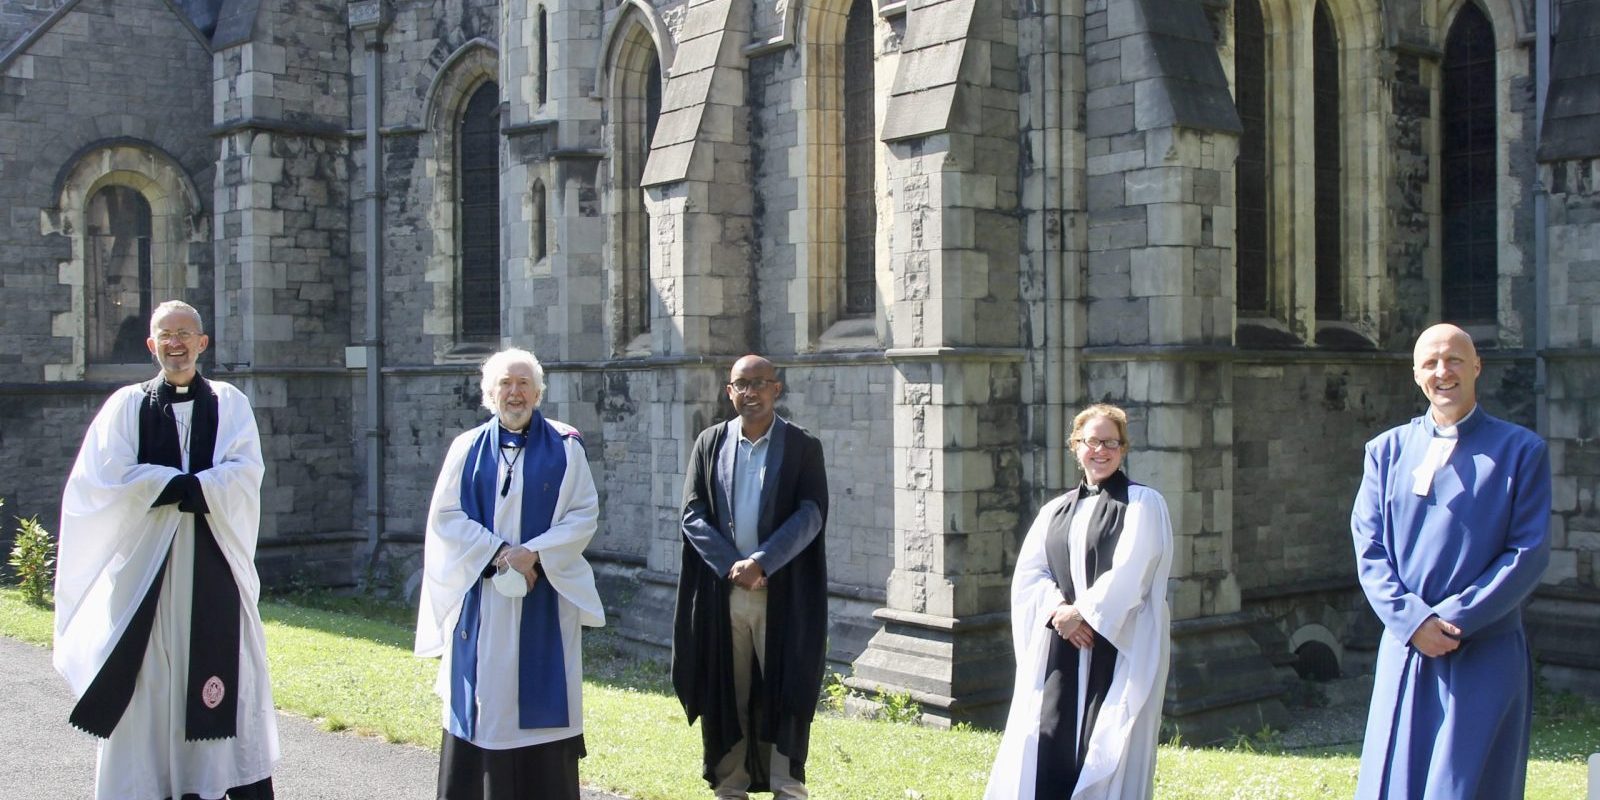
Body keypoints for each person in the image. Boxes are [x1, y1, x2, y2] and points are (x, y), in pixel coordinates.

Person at [55, 300, 278, 800]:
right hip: (141, 575)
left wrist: (175, 489)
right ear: (151, 345)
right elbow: (103, 480)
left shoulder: (229, 403)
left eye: (185, 333)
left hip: (211, 562)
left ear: (203, 343)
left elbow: (244, 474)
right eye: (165, 335)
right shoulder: (125, 406)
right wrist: (180, 484)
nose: (175, 343)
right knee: (146, 685)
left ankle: (209, 782)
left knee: (221, 673)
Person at [1350, 323, 1551, 799]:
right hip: (1407, 644)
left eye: (1454, 360)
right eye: (1430, 363)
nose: (1443, 372)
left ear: (1476, 366)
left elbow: (1528, 552)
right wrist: (1413, 619)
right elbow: (1368, 545)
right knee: (1397, 780)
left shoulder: (1522, 452)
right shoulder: (1386, 452)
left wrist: (1453, 620)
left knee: (1465, 784)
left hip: (1483, 647)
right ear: (1416, 374)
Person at [415, 347, 604, 800]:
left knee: (539, 719)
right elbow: (445, 516)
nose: (514, 392)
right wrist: (500, 551)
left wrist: (533, 554)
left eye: (523, 384)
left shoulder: (565, 445)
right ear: (489, 393)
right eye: (505, 383)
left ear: (538, 393)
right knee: (487, 711)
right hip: (485, 603)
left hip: (543, 598)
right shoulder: (466, 448)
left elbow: (583, 515)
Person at [985, 403, 1172, 800]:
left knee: (1104, 747)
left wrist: (1082, 612)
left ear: (1123, 449)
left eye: (1111, 443)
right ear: (1076, 446)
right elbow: (1030, 573)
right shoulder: (1054, 510)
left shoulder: (1143, 504)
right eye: (1092, 441)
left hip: (1115, 644)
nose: (1100, 451)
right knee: (1046, 738)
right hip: (1061, 644)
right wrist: (1058, 612)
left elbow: (1133, 569)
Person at [673, 355, 829, 799]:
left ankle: (787, 787)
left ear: (776, 389)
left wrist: (762, 561)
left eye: (760, 383)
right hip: (725, 597)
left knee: (785, 692)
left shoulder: (802, 447)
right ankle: (730, 786)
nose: (751, 392)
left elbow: (811, 514)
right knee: (728, 691)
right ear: (729, 391)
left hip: (782, 597)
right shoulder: (709, 443)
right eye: (741, 384)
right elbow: (692, 512)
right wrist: (732, 565)